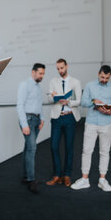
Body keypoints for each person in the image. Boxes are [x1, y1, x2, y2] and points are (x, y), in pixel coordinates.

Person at [71, 65, 111, 192]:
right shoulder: (89, 85)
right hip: (91, 122)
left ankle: (102, 180)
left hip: (107, 123)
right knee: (87, 150)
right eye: (102, 77)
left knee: (104, 152)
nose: (104, 80)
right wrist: (94, 101)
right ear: (98, 74)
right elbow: (83, 102)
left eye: (107, 78)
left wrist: (110, 112)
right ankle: (84, 179)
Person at [46, 59, 82, 187]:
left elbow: (79, 100)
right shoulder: (53, 81)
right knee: (53, 146)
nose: (60, 70)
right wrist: (53, 97)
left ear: (66, 66)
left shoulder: (75, 82)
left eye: (62, 68)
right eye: (58, 69)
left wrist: (69, 102)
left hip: (70, 117)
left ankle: (67, 175)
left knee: (69, 147)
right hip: (57, 117)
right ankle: (57, 175)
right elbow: (49, 99)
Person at [17, 63, 45, 193]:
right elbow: (20, 105)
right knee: (32, 148)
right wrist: (24, 124)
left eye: (43, 74)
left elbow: (40, 103)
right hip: (27, 119)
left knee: (28, 148)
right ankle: (31, 179)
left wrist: (42, 118)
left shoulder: (38, 87)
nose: (42, 76)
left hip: (36, 120)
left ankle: (25, 176)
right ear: (33, 72)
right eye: (40, 73)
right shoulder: (25, 85)